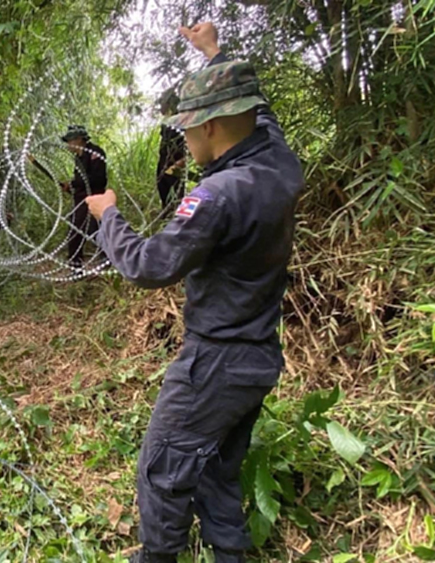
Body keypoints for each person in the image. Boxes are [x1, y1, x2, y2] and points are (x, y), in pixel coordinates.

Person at [84, 23, 304, 563]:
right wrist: (215, 53)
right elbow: (263, 113)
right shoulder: (278, 161)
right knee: (215, 471)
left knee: (162, 471)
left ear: (212, 127)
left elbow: (146, 264)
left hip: (214, 365)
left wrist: (107, 214)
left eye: (188, 128)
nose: (183, 138)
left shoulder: (217, 196)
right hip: (257, 358)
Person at [59, 125, 107, 267]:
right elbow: (81, 181)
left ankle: (107, 260)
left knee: (96, 230)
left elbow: (99, 179)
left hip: (94, 198)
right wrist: (72, 186)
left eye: (70, 140)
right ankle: (75, 264)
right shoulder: (78, 158)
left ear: (79, 139)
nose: (68, 144)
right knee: (75, 230)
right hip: (81, 199)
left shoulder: (95, 153)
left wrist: (75, 183)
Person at [156, 89, 188, 209]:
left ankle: (182, 220)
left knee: (178, 193)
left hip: (177, 161)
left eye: (163, 103)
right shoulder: (166, 123)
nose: (161, 107)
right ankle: (165, 214)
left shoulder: (181, 121)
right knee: (162, 188)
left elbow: (188, 144)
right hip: (164, 161)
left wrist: (181, 163)